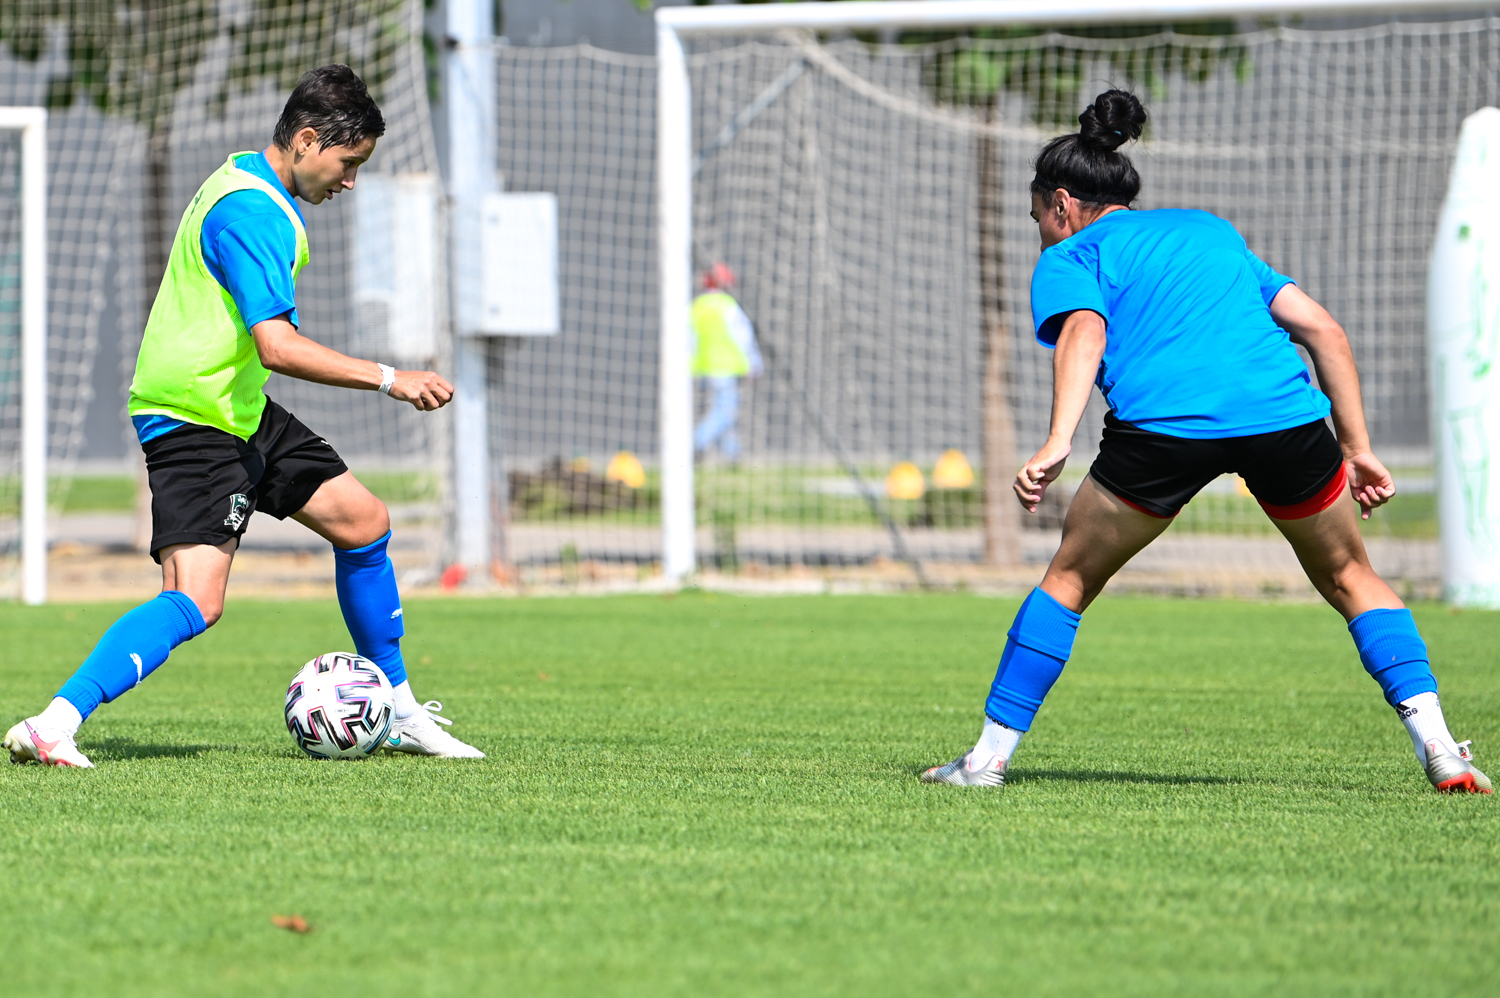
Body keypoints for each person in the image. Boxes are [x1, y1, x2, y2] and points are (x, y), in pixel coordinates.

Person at [923, 89, 1490, 794]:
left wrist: (1056, 440)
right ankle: (1441, 748)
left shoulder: (1071, 254)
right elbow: (1323, 331)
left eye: (1036, 211)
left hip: (1165, 434)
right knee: (1353, 578)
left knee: (1068, 581)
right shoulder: (1210, 231)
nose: (1036, 226)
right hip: (1286, 424)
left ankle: (984, 762)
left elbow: (1085, 332)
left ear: (1061, 203)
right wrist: (1359, 445)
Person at [4, 65, 484, 767]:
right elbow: (277, 344)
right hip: (192, 416)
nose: (349, 182)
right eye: (348, 165)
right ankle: (54, 721)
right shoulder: (252, 213)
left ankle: (402, 710)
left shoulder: (243, 177)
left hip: (239, 407)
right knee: (197, 599)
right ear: (309, 140)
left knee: (363, 521)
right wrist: (391, 379)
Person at [691, 262, 763, 462]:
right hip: (726, 367)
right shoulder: (728, 307)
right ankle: (696, 442)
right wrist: (755, 365)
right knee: (725, 413)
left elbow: (690, 340)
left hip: (705, 368)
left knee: (722, 411)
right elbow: (744, 338)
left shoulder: (697, 307)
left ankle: (734, 454)